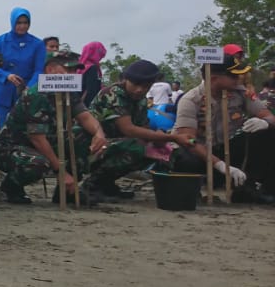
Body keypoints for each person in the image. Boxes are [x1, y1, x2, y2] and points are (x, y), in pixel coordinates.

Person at [0, 50, 109, 205]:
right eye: (68, 70)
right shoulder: (37, 95)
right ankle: (11, 186)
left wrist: (99, 134)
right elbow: (37, 139)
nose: (73, 74)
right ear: (50, 70)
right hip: (13, 147)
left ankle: (67, 190)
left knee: (84, 135)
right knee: (38, 163)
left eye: (75, 70)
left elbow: (85, 116)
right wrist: (61, 172)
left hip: (48, 140)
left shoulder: (68, 91)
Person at [170, 54, 275, 204]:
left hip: (226, 148)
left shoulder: (241, 92)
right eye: (233, 76)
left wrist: (265, 122)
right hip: (199, 154)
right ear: (213, 79)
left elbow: (270, 117)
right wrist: (220, 165)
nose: (237, 79)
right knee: (184, 155)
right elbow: (189, 140)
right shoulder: (191, 100)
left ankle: (250, 189)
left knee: (269, 134)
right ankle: (190, 188)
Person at [87, 60, 193, 199]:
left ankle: (105, 183)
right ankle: (92, 185)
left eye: (145, 86)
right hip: (92, 143)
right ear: (126, 80)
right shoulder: (114, 94)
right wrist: (171, 137)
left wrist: (159, 140)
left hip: (114, 143)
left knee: (155, 150)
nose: (140, 90)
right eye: (136, 85)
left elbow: (144, 128)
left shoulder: (140, 100)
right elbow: (129, 130)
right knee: (136, 147)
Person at [0, 7, 46, 127]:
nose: (22, 26)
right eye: (19, 23)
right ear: (12, 22)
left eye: (26, 23)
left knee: (24, 130)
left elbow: (39, 70)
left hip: (27, 94)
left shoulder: (38, 44)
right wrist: (7, 76)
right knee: (3, 130)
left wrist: (29, 88)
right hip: (3, 94)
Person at [77, 41, 106, 106]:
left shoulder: (79, 66)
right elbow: (90, 90)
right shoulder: (92, 68)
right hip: (87, 106)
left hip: (76, 104)